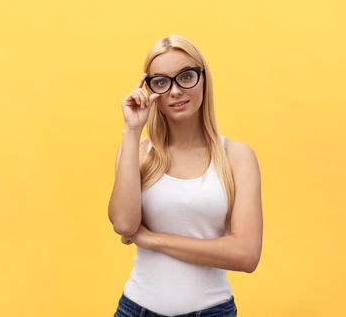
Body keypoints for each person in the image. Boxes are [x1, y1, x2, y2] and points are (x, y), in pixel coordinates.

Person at [108, 34, 263, 317]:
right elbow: (124, 223)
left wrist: (152, 239)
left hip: (212, 311)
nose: (175, 91)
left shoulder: (237, 157)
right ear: (149, 89)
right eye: (162, 82)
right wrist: (131, 131)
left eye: (186, 76)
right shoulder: (139, 151)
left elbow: (246, 254)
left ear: (203, 79)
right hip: (137, 309)